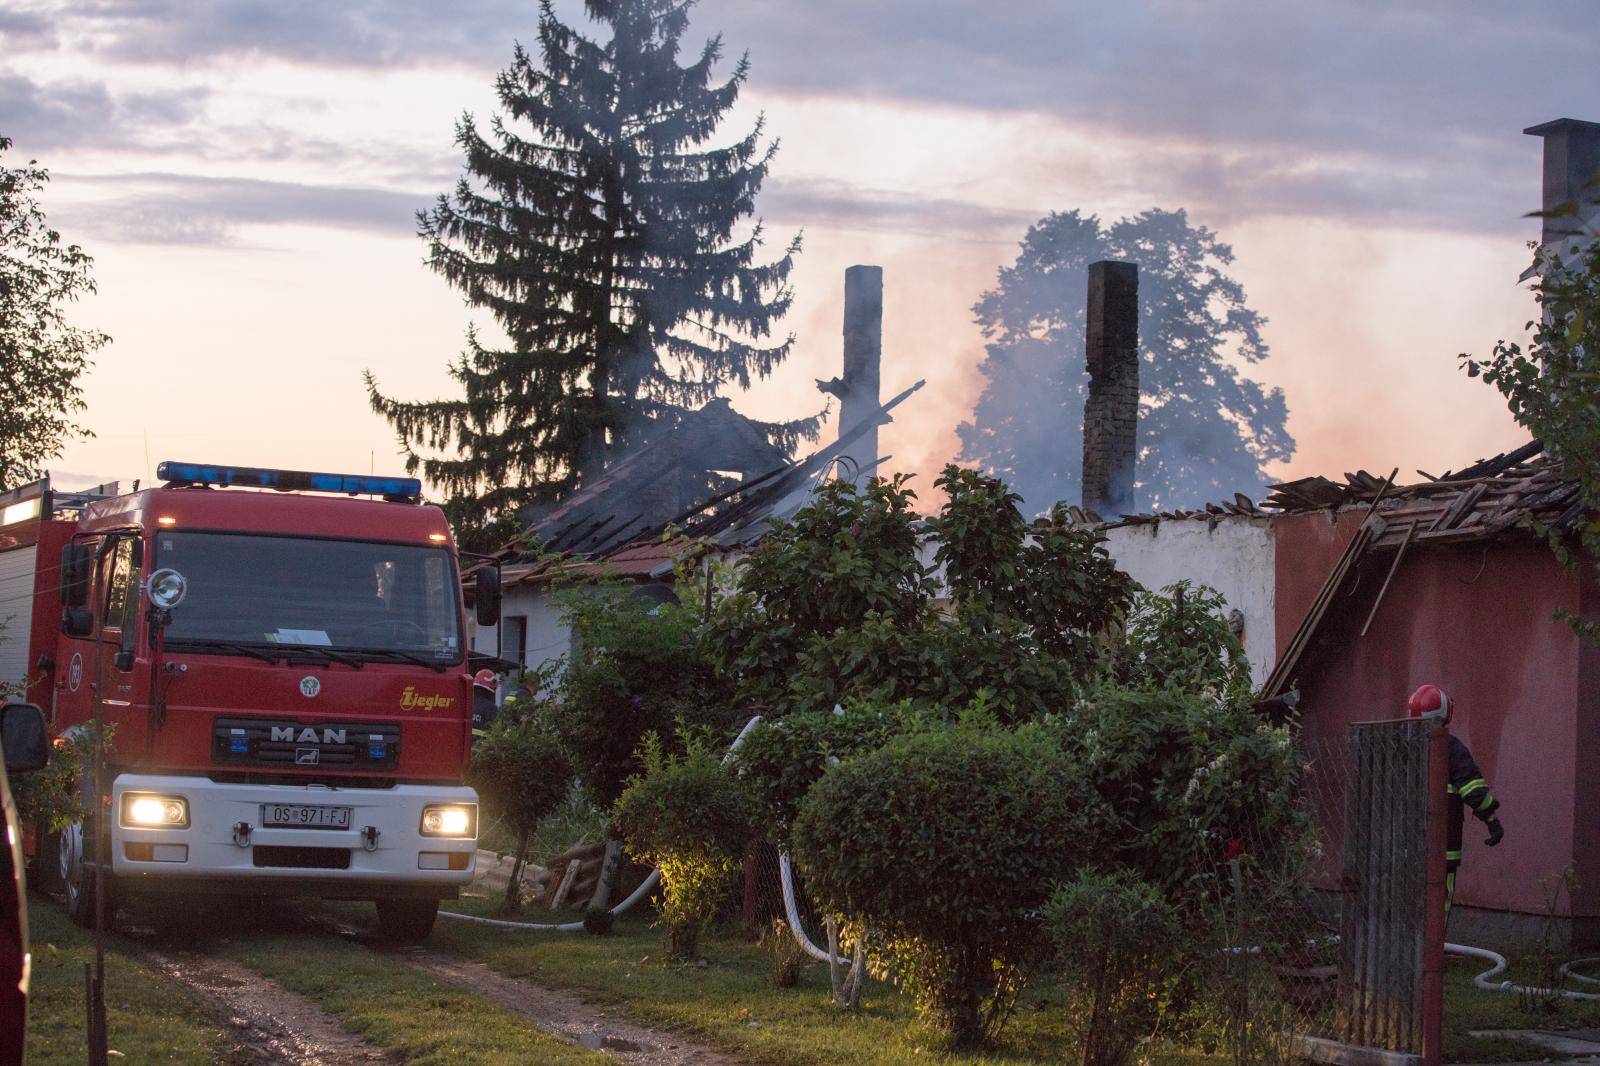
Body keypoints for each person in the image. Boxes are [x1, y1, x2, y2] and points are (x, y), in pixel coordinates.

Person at [1407, 684, 1504, 916]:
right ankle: (1433, 949)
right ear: (1443, 712)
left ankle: (1409, 950)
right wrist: (1492, 821)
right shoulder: (1451, 748)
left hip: (1405, 845)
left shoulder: (1403, 745)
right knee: (1439, 903)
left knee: (1409, 900)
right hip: (1444, 846)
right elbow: (1473, 790)